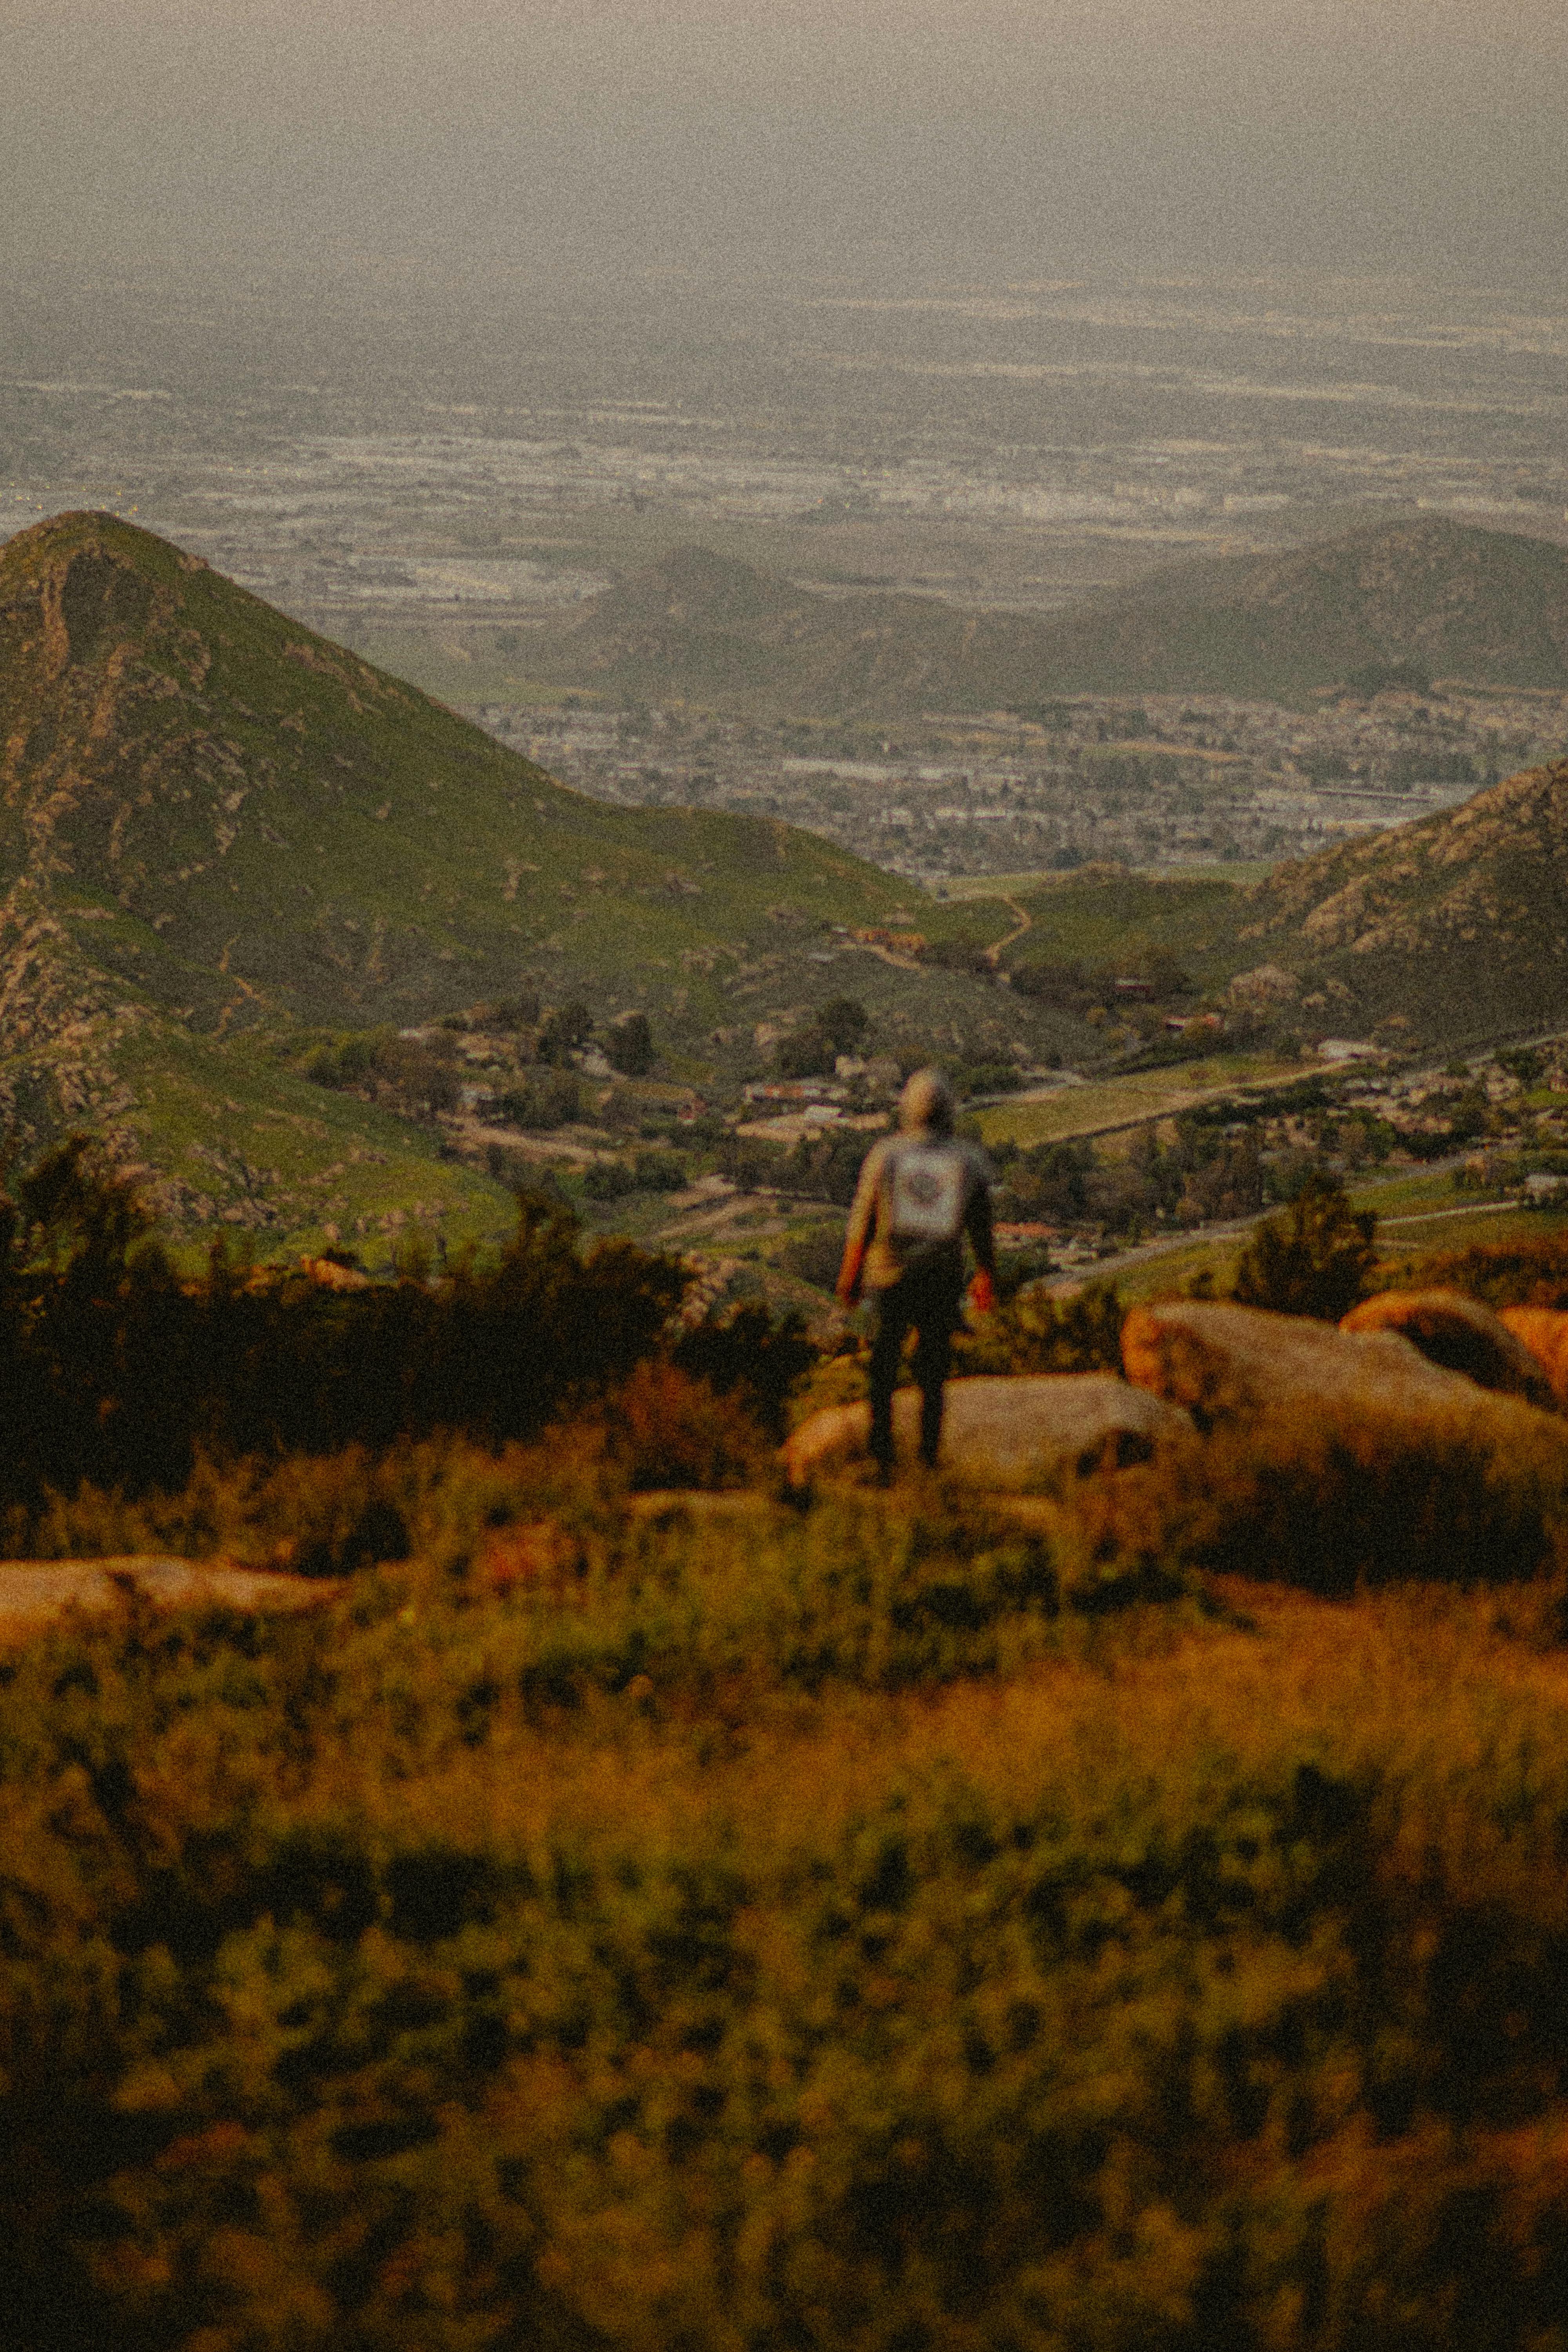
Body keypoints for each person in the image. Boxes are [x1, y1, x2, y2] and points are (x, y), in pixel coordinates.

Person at [836, 1067, 996, 1477]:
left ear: (906, 1107)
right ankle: (927, 1456)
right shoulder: (968, 1159)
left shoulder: (885, 1155)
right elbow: (980, 1225)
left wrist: (850, 1274)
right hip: (940, 1278)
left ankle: (882, 1452)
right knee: (933, 1368)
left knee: (884, 1361)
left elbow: (863, 1217)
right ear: (950, 1110)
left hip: (887, 1276)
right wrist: (986, 1275)